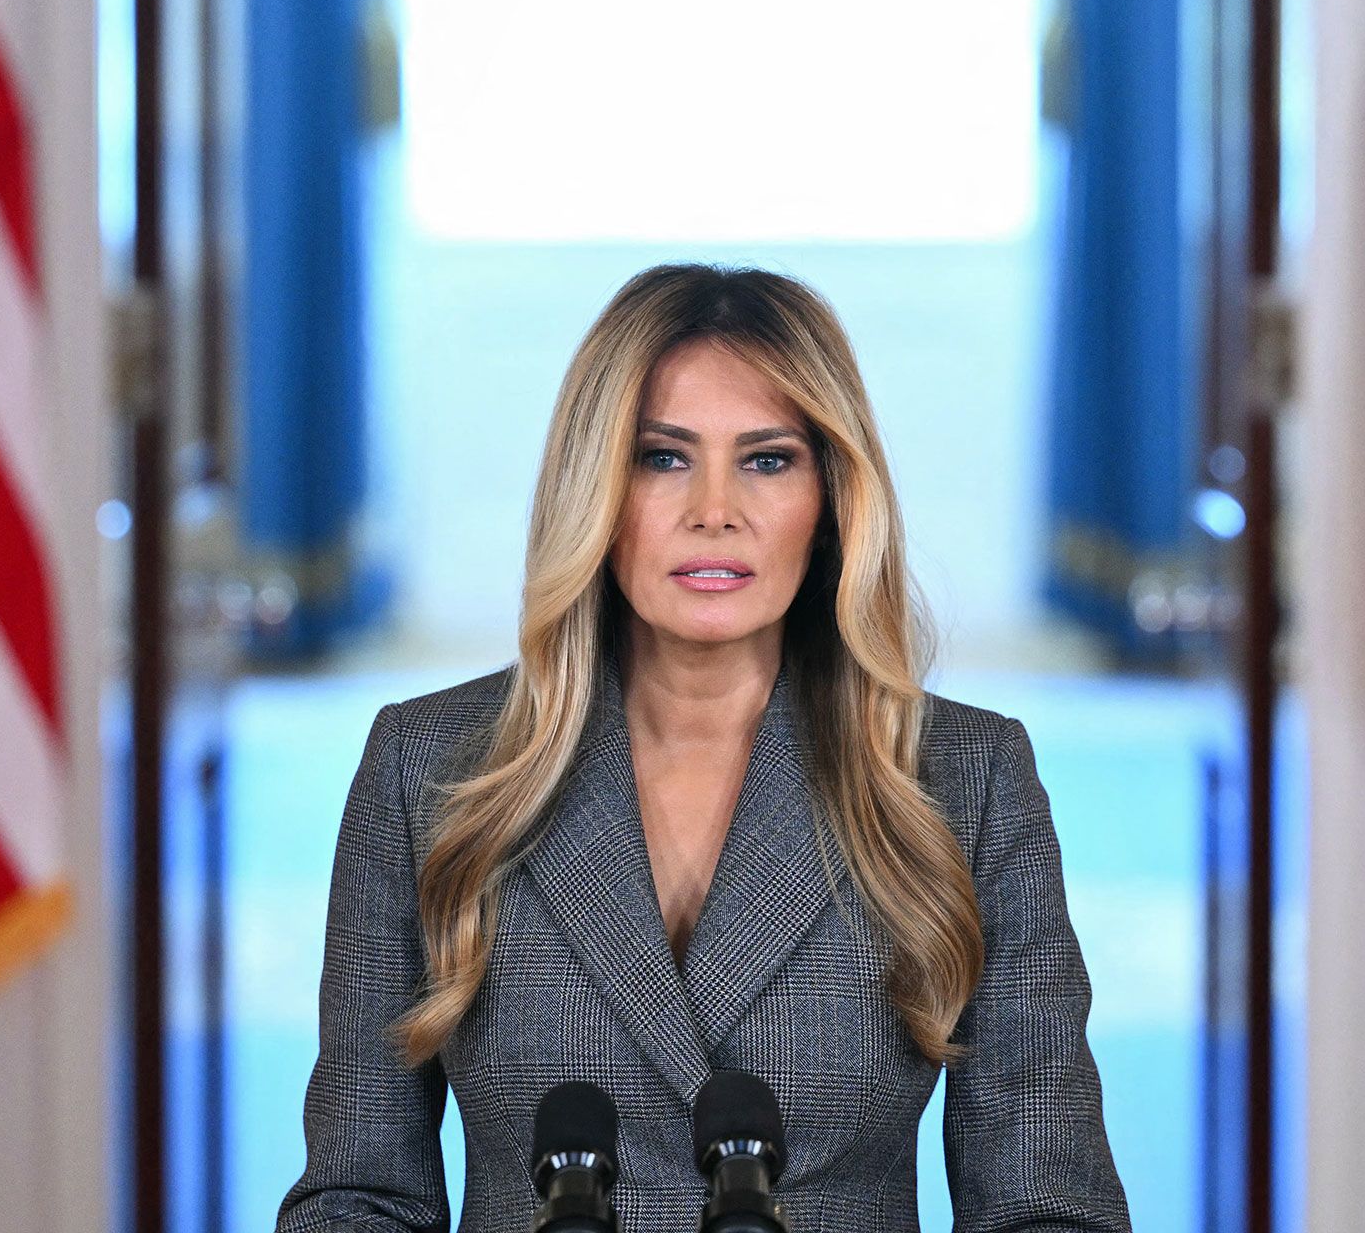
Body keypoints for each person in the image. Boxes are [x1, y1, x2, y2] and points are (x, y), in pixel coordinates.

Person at [278, 264, 1131, 1233]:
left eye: (767, 459)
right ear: (593, 486)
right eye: (663, 457)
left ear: (833, 496)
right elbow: (360, 1193)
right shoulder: (427, 767)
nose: (713, 509)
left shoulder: (964, 779)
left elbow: (1047, 1206)